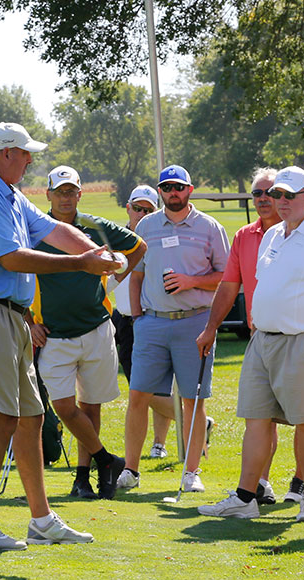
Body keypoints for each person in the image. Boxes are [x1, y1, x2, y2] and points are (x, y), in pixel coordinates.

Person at [0, 122, 118, 550]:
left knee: (31, 417)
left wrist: (93, 252)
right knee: (2, 417)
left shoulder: (9, 193)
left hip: (8, 314)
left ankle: (41, 520)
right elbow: (10, 258)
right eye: (25, 154)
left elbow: (54, 231)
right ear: (6, 153)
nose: (30, 161)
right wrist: (81, 265)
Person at [196, 165, 304, 521]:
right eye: (277, 194)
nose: (281, 200)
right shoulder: (274, 234)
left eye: (289, 195)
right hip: (262, 339)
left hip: (301, 341)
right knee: (256, 419)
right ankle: (246, 497)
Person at [29, 166, 145, 500]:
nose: (65, 198)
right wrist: (29, 322)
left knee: (91, 406)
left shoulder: (94, 226)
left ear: (80, 194)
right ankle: (106, 460)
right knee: (65, 407)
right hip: (52, 333)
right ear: (48, 195)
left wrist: (114, 279)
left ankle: (84, 478)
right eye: (59, 192)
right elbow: (13, 273)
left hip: (96, 328)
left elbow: (138, 247)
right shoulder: (35, 230)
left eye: (71, 191)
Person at [118, 164, 229, 494]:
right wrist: (137, 318)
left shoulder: (210, 227)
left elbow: (226, 277)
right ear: (160, 191)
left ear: (189, 190)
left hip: (195, 322)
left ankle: (191, 472)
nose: (173, 192)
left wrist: (192, 281)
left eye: (179, 187)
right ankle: (130, 470)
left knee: (193, 400)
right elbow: (136, 276)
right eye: (167, 187)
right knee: (138, 396)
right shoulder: (147, 226)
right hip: (151, 322)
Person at [218, 167, 288, 505]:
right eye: (257, 193)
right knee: (261, 416)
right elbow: (229, 285)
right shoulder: (244, 236)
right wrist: (210, 328)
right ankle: (260, 483)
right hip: (259, 334)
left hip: (295, 335)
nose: (262, 199)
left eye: (269, 193)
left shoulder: (297, 232)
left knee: (303, 418)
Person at [110, 184, 176, 461]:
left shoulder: (161, 238)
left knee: (158, 387)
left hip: (152, 317)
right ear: (128, 208)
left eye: (148, 210)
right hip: (124, 320)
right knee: (139, 389)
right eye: (138, 208)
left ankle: (160, 443)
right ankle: (194, 421)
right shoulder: (114, 238)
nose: (142, 214)